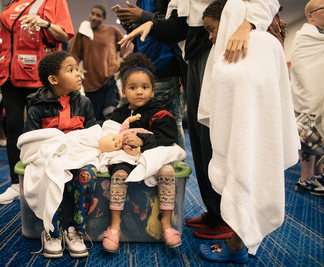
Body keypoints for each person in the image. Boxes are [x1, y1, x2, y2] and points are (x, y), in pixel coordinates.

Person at [118, 0, 279, 240]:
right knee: (201, 135)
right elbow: (181, 26)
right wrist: (149, 20)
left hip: (221, 46)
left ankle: (229, 217)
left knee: (218, 133)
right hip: (193, 53)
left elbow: (267, 2)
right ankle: (215, 210)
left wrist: (247, 25)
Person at [196, 0, 299, 263]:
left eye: (212, 29)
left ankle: (236, 244)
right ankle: (238, 239)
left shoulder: (255, 46)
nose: (210, 36)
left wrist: (245, 24)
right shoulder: (265, 45)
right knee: (247, 167)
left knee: (247, 167)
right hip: (252, 135)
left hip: (250, 134)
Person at [0, 0, 74, 205]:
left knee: (44, 131)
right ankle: (15, 184)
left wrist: (44, 23)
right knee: (13, 129)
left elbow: (64, 35)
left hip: (38, 76)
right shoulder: (13, 3)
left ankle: (45, 183)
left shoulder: (53, 1)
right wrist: (1, 71)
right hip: (10, 76)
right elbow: (5, 41)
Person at [102, 53, 181, 252]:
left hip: (153, 156)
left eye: (145, 87)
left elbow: (168, 137)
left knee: (168, 172)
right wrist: (119, 142)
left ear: (153, 91)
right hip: (126, 158)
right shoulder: (119, 114)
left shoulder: (159, 112)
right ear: (123, 91)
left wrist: (143, 140)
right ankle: (115, 225)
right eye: (133, 87)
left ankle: (166, 223)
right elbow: (108, 136)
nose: (139, 92)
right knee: (118, 175)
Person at [24, 51, 96, 258]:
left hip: (78, 157)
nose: (78, 74)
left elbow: (92, 135)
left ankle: (76, 231)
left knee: (88, 174)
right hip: (51, 159)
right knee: (47, 175)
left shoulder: (84, 103)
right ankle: (53, 231)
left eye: (77, 68)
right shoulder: (36, 106)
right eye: (71, 70)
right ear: (53, 79)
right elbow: (31, 142)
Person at [114, 0, 186, 149]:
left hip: (163, 68)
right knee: (138, 122)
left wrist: (143, 16)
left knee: (169, 123)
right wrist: (132, 26)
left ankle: (179, 168)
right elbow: (145, 36)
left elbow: (177, 26)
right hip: (144, 68)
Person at [68, 5, 132, 124]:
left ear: (103, 18)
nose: (94, 17)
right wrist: (74, 68)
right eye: (92, 14)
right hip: (91, 82)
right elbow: (73, 54)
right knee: (94, 119)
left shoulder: (112, 31)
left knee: (110, 116)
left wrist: (123, 60)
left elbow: (126, 46)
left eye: (98, 15)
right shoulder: (83, 33)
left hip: (109, 78)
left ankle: (111, 140)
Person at [291, 0, 324, 195]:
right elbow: (303, 70)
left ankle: (312, 177)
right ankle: (306, 177)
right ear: (311, 15)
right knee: (310, 140)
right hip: (310, 98)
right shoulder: (304, 37)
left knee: (314, 143)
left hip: (320, 98)